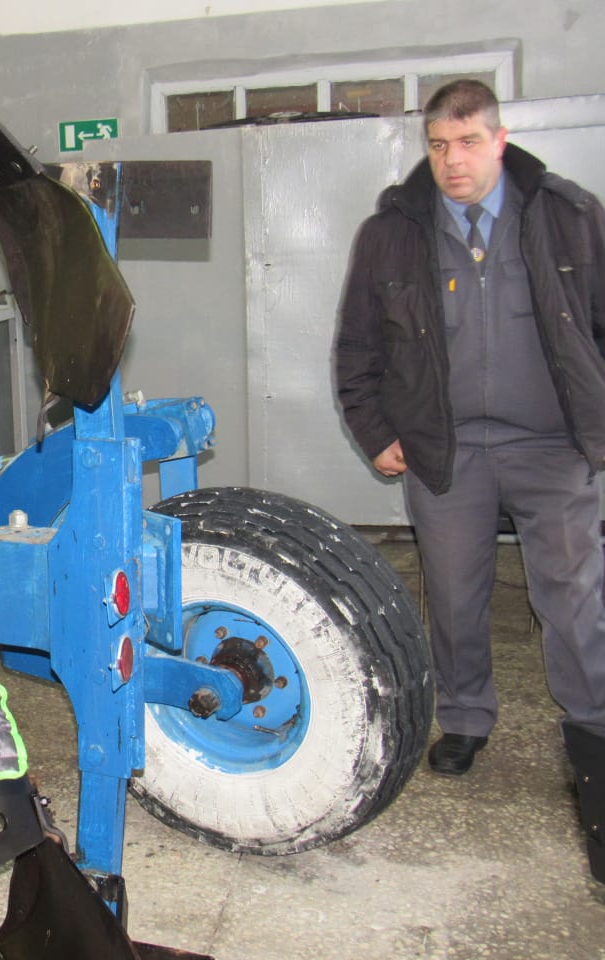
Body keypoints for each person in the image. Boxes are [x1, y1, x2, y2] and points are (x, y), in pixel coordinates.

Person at [333, 79, 605, 881]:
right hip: (446, 449)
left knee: (575, 594)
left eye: (469, 142)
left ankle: (593, 729)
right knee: (454, 594)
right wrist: (375, 431)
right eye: (439, 145)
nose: (453, 160)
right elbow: (356, 347)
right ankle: (464, 718)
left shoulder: (568, 214)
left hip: (553, 447)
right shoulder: (392, 233)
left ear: (500, 139)